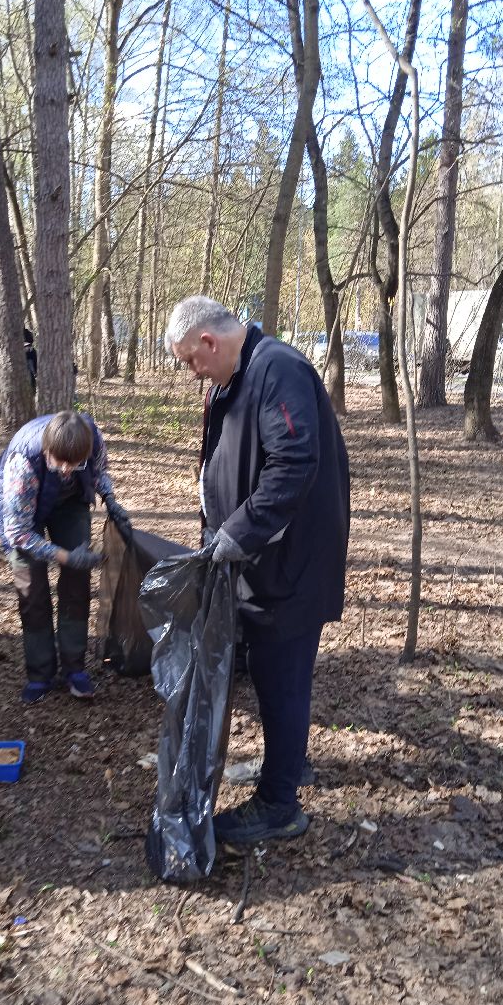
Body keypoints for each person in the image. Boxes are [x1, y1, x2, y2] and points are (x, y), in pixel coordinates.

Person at [165, 296, 350, 845]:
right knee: (273, 675)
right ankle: (289, 766)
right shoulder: (234, 378)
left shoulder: (278, 369)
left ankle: (280, 804)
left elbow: (294, 464)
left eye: (190, 361)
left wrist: (236, 533)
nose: (192, 372)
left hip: (289, 567)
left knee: (281, 677)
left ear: (208, 342)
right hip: (257, 561)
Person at [0, 410, 132, 704]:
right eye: (60, 463)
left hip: (69, 503)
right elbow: (18, 532)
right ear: (47, 451)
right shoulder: (24, 463)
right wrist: (65, 556)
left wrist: (111, 501)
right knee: (31, 590)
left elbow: (99, 471)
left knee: (77, 583)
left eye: (75, 463)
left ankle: (74, 669)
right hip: (23, 514)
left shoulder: (90, 438)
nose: (68, 470)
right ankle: (40, 674)